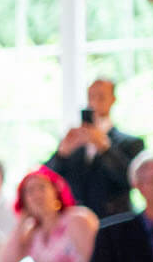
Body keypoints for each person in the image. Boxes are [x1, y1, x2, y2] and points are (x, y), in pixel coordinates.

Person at [45, 79, 145, 220]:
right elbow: (46, 179)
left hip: (114, 222)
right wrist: (61, 154)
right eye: (91, 96)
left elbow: (131, 179)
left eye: (101, 96)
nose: (95, 102)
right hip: (77, 222)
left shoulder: (130, 143)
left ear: (113, 99)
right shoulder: (73, 144)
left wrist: (105, 148)